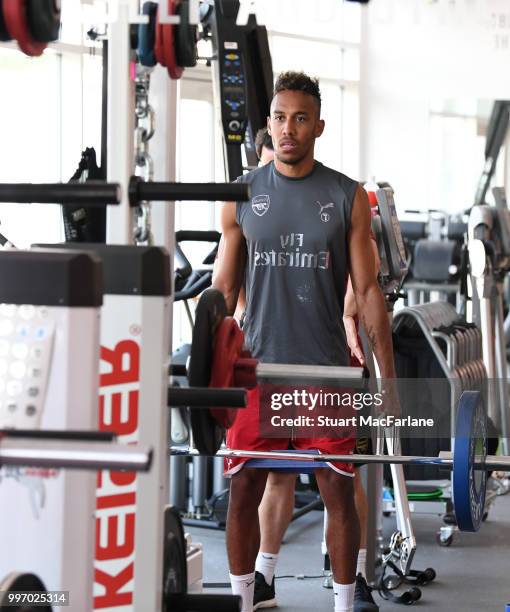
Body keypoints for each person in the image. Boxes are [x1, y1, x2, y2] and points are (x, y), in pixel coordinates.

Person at [213, 71, 398, 612]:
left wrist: (388, 379)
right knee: (243, 489)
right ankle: (244, 601)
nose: (287, 128)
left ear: (318, 126)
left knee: (337, 491)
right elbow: (224, 290)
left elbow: (366, 291)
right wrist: (208, 370)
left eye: (299, 118)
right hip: (256, 371)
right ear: (268, 124)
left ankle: (343, 603)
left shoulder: (346, 197)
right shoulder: (241, 194)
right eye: (278, 117)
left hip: (324, 372)